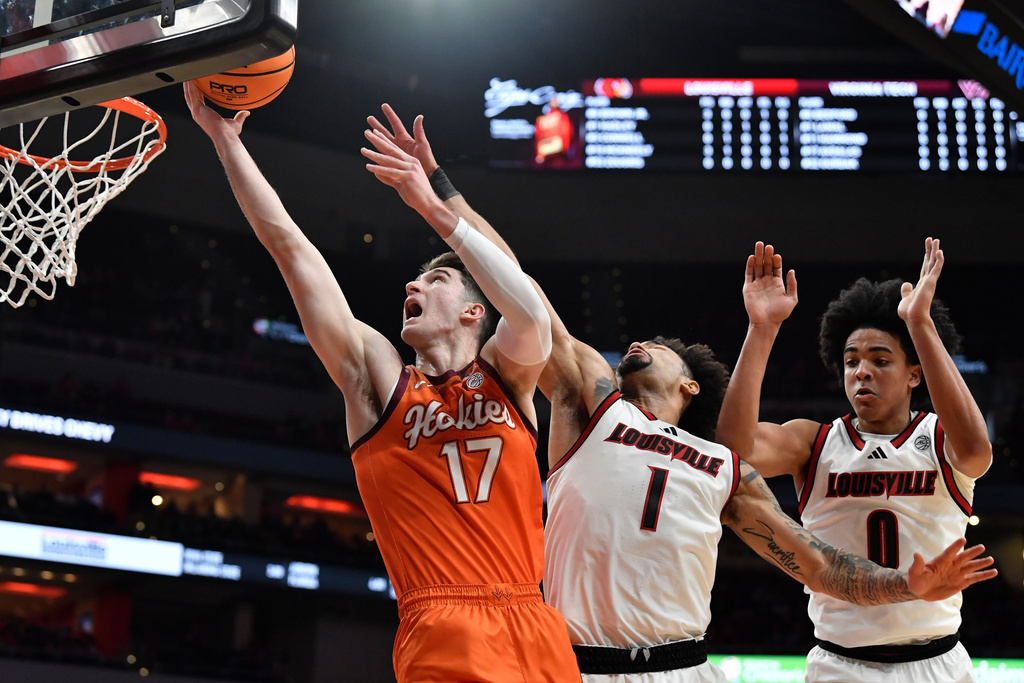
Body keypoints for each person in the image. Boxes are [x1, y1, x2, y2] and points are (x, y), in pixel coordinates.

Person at [364, 105, 998, 683]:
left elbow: (821, 566)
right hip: (578, 666)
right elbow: (523, 292)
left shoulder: (723, 469)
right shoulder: (592, 403)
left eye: (657, 345)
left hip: (686, 669)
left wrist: (910, 586)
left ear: (689, 385)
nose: (637, 344)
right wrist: (442, 195)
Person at [184, 83, 581, 683]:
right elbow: (291, 249)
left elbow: (528, 311)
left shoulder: (508, 372)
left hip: (536, 621)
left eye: (434, 283)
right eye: (413, 285)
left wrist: (433, 207)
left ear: (475, 311)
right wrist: (226, 143)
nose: (411, 289)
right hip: (444, 623)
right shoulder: (378, 381)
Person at [716, 239, 993, 682]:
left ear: (913, 375)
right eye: (850, 362)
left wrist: (919, 324)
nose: (861, 371)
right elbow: (734, 451)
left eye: (880, 360)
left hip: (937, 662)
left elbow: (978, 452)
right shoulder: (815, 441)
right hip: (842, 664)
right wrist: (762, 329)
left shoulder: (939, 438)